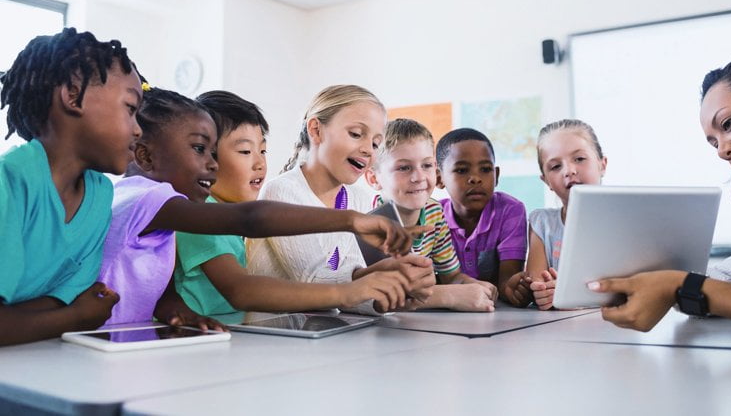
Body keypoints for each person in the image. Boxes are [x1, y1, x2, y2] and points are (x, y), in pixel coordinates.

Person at [100, 86, 420, 324]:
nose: (210, 163)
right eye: (199, 149)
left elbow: (160, 284)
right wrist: (349, 283)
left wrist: (174, 308)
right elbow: (250, 231)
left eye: (263, 151)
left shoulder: (178, 211)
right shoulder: (159, 202)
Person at [592, 52, 731, 340]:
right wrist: (643, 281)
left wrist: (679, 285)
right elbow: (730, 279)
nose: (721, 151)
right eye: (713, 142)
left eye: (727, 124)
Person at [0, 28, 137, 345]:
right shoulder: (12, 182)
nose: (139, 129)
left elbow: (58, 299)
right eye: (130, 109)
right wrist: (74, 319)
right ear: (73, 95)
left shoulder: (101, 193)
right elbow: (72, 310)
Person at [247, 85, 435, 314]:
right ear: (316, 130)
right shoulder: (281, 192)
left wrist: (396, 289)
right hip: (271, 338)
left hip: (325, 334)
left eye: (376, 143)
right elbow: (313, 280)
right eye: (356, 134)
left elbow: (351, 289)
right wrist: (376, 278)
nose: (368, 150)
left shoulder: (358, 199)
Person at [365, 118, 498, 311]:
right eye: (404, 167)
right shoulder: (369, 221)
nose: (419, 177)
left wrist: (473, 285)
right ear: (374, 178)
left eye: (426, 165)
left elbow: (451, 276)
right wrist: (451, 296)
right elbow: (382, 295)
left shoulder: (434, 212)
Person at [512, 119, 607, 309]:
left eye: (579, 159)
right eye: (555, 166)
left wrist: (568, 294)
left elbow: (633, 288)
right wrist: (544, 293)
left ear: (602, 164)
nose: (569, 171)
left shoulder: (624, 222)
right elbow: (539, 284)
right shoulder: (542, 223)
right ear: (546, 180)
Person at [435, 128, 528, 306]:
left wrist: (512, 289)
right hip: (445, 312)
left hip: (492, 311)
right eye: (462, 170)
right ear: (439, 178)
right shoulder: (432, 217)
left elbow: (507, 279)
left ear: (496, 175)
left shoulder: (510, 211)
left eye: (485, 169)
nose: (476, 178)